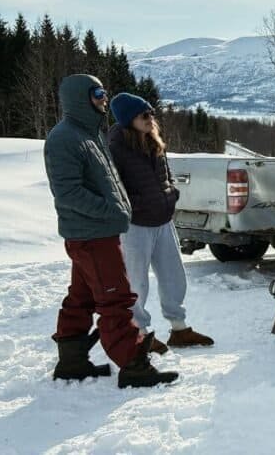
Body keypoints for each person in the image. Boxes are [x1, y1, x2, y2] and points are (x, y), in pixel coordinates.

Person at [43, 74, 178, 388]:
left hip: (95, 233)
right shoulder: (64, 138)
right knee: (116, 298)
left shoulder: (89, 134)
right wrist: (113, 212)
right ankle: (133, 365)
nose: (105, 98)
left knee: (82, 297)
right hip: (91, 234)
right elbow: (68, 193)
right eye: (98, 92)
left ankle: (72, 361)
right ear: (81, 96)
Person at [108, 93, 214, 354]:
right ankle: (140, 334)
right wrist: (137, 204)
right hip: (136, 225)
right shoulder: (116, 148)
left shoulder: (153, 142)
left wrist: (170, 195)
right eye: (144, 115)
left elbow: (165, 176)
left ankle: (179, 329)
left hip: (163, 220)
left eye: (151, 113)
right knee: (137, 282)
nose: (150, 119)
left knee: (173, 277)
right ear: (128, 119)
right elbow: (113, 187)